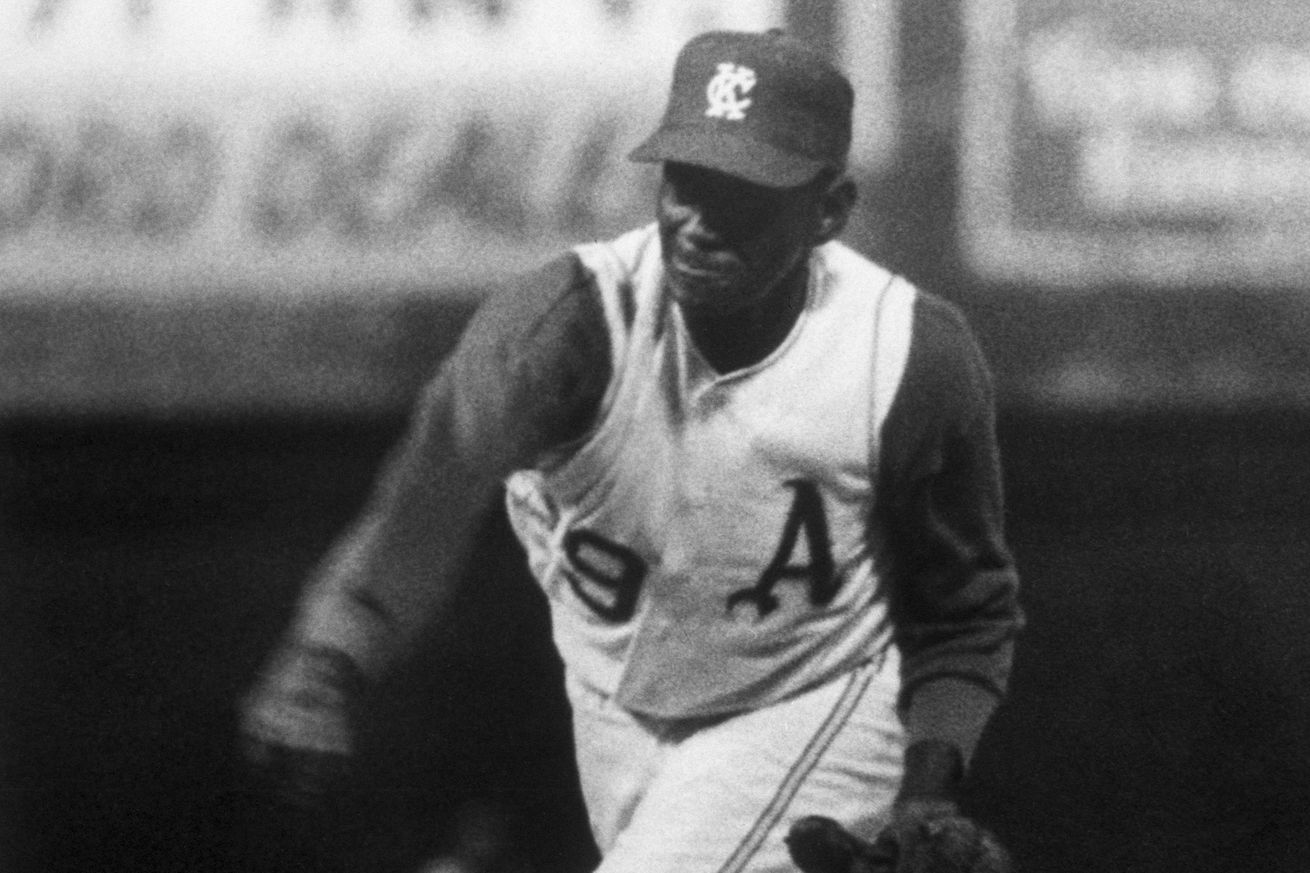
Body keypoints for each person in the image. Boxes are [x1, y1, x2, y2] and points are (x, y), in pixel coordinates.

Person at [239, 28, 1024, 873]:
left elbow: (964, 609)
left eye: (744, 192)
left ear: (828, 210)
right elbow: (431, 498)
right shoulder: (558, 333)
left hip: (815, 695)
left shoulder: (907, 355)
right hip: (621, 715)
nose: (696, 219)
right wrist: (327, 654)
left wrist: (926, 793)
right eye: (687, 178)